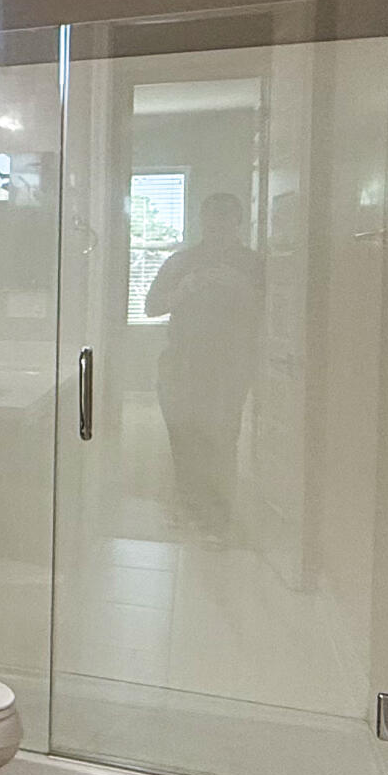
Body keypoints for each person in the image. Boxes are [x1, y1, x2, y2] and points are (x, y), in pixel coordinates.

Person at [145, 192, 264, 539]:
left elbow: (276, 313)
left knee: (222, 438)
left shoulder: (255, 265)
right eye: (212, 217)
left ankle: (218, 518)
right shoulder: (181, 262)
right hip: (181, 362)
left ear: (238, 221)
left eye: (225, 218)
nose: (217, 225)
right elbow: (151, 307)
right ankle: (188, 507)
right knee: (183, 437)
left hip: (230, 365)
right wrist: (183, 290)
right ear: (202, 220)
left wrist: (242, 289)